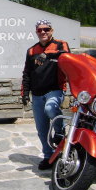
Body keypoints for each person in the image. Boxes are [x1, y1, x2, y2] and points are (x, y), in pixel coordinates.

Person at [21, 19, 70, 170]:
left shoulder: (61, 45)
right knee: (42, 129)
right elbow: (27, 73)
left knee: (51, 108)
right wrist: (25, 93)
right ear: (36, 32)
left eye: (46, 29)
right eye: (40, 30)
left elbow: (67, 57)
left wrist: (47, 55)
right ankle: (48, 156)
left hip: (55, 89)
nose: (43, 32)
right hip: (37, 94)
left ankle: (60, 131)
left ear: (52, 30)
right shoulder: (31, 51)